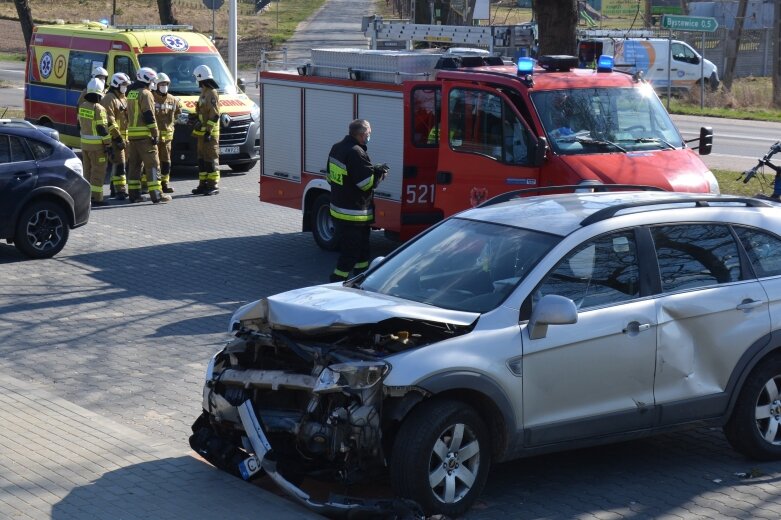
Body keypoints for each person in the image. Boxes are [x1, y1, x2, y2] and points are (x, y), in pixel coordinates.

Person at [327, 119, 389, 282]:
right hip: (353, 216)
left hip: (340, 211)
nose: (370, 135)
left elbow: (330, 177)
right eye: (369, 133)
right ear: (362, 135)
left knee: (363, 253)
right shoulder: (356, 152)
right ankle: (335, 284)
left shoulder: (337, 147)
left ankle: (361, 280)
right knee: (350, 255)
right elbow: (365, 184)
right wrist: (379, 174)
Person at [126, 67, 170, 204]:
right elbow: (148, 115)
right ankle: (157, 195)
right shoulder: (146, 94)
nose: (153, 83)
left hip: (132, 136)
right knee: (153, 165)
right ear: (146, 79)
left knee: (134, 165)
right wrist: (155, 133)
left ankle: (134, 194)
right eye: (151, 80)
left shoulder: (131, 93)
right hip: (145, 136)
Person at [78, 78, 111, 206]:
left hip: (85, 145)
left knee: (87, 171)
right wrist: (108, 144)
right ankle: (97, 198)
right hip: (97, 148)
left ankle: (86, 196)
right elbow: (102, 128)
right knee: (98, 172)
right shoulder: (99, 108)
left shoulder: (83, 106)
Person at [190, 65, 221, 196]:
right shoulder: (204, 92)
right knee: (202, 159)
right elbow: (202, 112)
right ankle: (203, 184)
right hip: (202, 134)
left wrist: (208, 131)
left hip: (210, 134)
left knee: (211, 159)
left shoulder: (212, 93)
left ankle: (213, 185)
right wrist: (194, 117)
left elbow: (215, 115)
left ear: (200, 78)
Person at [101, 72, 131, 200]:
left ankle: (114, 188)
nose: (125, 87)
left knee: (120, 163)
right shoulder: (109, 99)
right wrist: (117, 137)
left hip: (124, 137)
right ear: (116, 84)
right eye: (123, 84)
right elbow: (109, 121)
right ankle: (121, 191)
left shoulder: (123, 97)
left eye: (126, 85)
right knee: (120, 164)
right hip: (115, 138)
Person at [152, 72, 181, 194]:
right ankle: (149, 184)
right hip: (154, 137)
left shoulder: (173, 99)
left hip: (167, 138)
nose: (164, 86)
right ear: (156, 85)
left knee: (166, 162)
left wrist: (173, 124)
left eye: (166, 84)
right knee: (153, 162)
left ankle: (165, 184)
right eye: (161, 84)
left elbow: (178, 114)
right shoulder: (151, 98)